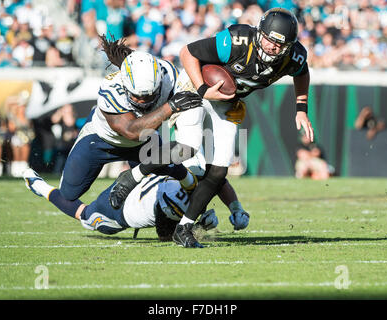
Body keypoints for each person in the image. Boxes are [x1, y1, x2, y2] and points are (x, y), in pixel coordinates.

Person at [110, 8, 314, 248]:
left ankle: (184, 228)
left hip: (227, 100)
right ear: (260, 33)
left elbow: (302, 73)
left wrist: (301, 108)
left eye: (279, 45)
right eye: (269, 39)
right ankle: (132, 176)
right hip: (198, 85)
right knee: (188, 147)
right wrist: (203, 90)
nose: (272, 47)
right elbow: (187, 52)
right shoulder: (237, 41)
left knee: (219, 171)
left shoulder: (294, 57)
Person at [57, 35, 202, 205]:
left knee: (167, 185)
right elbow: (132, 131)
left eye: (149, 96)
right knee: (68, 194)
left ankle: (196, 203)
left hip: (145, 142)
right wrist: (170, 106)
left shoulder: (168, 76)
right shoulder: (111, 87)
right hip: (101, 140)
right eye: (137, 96)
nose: (142, 101)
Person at [22, 168, 218, 241]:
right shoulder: (174, 204)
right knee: (84, 215)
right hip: (117, 211)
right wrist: (200, 226)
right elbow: (166, 235)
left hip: (132, 184)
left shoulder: (189, 181)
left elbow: (173, 167)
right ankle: (39, 186)